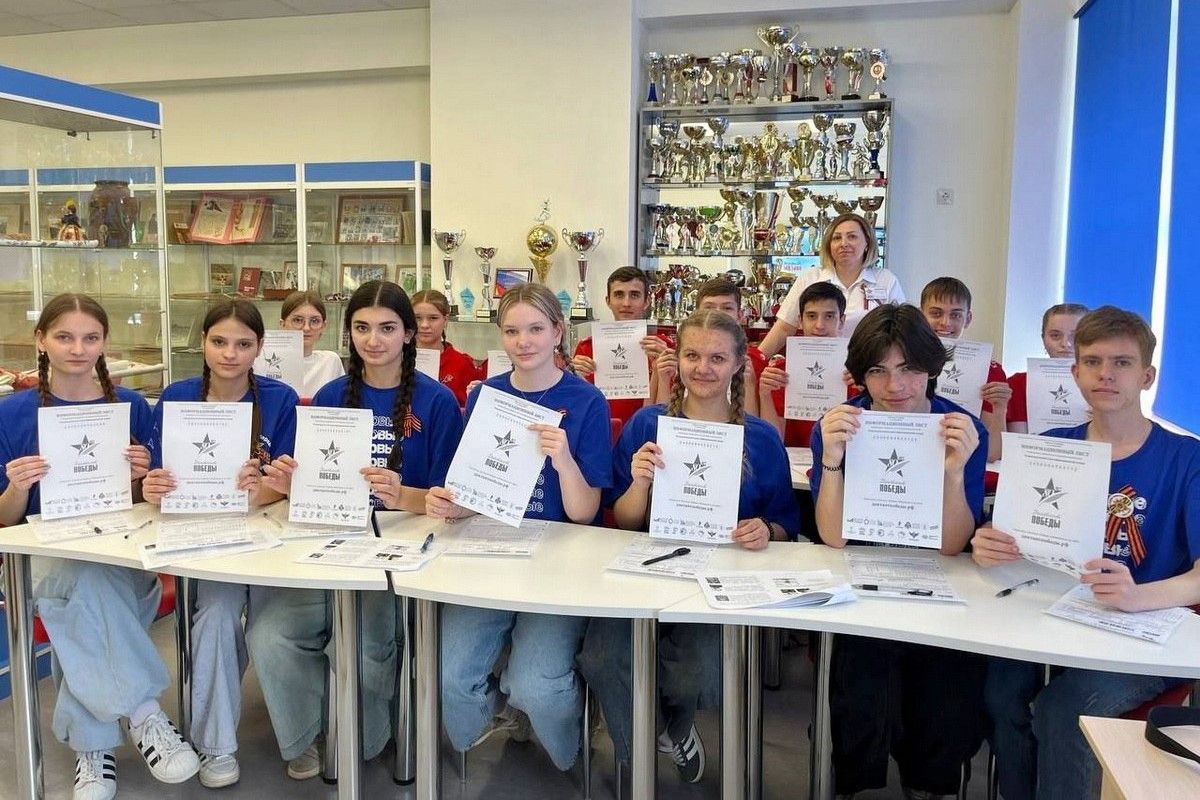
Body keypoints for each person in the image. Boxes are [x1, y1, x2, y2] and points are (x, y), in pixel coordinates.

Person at [973, 306, 1200, 800]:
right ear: (1074, 373)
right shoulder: (1050, 447)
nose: (1105, 375)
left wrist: (1137, 596)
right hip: (1054, 614)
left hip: (1146, 631)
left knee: (1063, 710)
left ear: (1147, 376)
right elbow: (1016, 543)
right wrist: (989, 544)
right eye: (1093, 362)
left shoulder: (1187, 459)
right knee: (1001, 693)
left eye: (1122, 363)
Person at [253, 280, 464, 778]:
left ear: (408, 334)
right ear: (348, 333)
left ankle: (365, 732)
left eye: (387, 328)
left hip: (403, 556)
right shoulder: (331, 395)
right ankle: (309, 733)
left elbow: (451, 503)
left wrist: (401, 495)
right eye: (362, 328)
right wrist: (288, 483)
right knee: (269, 634)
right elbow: (311, 483)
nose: (374, 340)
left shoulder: (436, 402)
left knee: (368, 647)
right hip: (332, 544)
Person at [578, 309, 799, 784]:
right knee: (601, 656)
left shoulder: (761, 439)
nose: (703, 368)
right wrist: (640, 483)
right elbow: (624, 520)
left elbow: (786, 521)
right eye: (692, 356)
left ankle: (672, 727)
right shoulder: (646, 424)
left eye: (717, 358)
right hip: (646, 565)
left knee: (697, 671)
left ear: (738, 364)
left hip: (720, 576)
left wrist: (765, 529)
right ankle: (643, 750)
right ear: (676, 359)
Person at [0, 294, 199, 800]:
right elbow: (4, 520)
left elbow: (147, 503)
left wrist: (141, 479)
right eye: (64, 337)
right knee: (84, 585)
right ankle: (144, 712)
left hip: (122, 550)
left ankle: (92, 750)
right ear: (41, 340)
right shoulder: (10, 413)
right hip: (44, 553)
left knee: (86, 597)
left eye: (90, 338)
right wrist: (18, 487)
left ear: (104, 343)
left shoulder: (131, 406)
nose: (77, 349)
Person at [426, 283, 613, 772]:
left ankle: (569, 746)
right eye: (511, 331)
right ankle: (497, 715)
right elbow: (473, 491)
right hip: (490, 551)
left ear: (558, 331)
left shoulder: (587, 401)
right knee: (449, 675)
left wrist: (564, 460)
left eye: (535, 329)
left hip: (559, 557)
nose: (523, 341)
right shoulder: (487, 395)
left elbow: (585, 513)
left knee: (535, 683)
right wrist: (453, 504)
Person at [811, 303, 989, 799]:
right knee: (861, 677)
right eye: (878, 371)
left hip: (939, 576)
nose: (895, 386)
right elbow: (834, 536)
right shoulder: (842, 423)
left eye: (909, 369)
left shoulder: (962, 428)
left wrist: (954, 472)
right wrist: (832, 458)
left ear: (931, 368)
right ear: (860, 374)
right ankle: (858, 780)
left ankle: (929, 783)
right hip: (862, 570)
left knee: (947, 682)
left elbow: (952, 544)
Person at [142, 298, 297, 789]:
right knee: (214, 615)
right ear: (203, 342)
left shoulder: (280, 399)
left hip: (270, 539)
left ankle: (304, 736)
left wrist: (261, 491)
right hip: (203, 537)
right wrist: (152, 486)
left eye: (243, 344)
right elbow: (156, 474)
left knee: (275, 631)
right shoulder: (177, 396)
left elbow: (290, 484)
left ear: (260, 347)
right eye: (219, 342)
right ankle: (216, 745)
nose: (230, 354)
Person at [759, 212, 905, 356]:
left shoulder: (886, 280)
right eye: (837, 238)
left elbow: (901, 332)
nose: (844, 244)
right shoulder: (810, 278)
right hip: (819, 364)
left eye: (852, 237)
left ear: (867, 242)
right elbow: (784, 328)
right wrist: (756, 361)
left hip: (869, 364)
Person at [919, 277, 1010, 461]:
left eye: (955, 315)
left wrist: (1000, 409)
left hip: (964, 462)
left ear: (967, 319)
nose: (945, 323)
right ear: (921, 315)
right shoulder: (903, 365)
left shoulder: (989, 371)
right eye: (936, 313)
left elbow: (992, 453)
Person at [569, 266, 673, 423]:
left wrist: (666, 368)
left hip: (646, 431)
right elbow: (576, 403)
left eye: (634, 295)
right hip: (602, 430)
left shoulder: (663, 348)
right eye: (619, 295)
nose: (626, 303)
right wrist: (573, 375)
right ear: (608, 301)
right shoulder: (587, 347)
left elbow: (674, 407)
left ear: (646, 301)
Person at [652, 276, 765, 414]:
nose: (717, 313)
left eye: (727, 308)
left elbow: (752, 422)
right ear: (696, 313)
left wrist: (749, 384)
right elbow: (658, 416)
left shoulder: (755, 360)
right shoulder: (676, 358)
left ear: (740, 315)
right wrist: (663, 379)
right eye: (709, 307)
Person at [758, 280, 851, 447]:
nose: (820, 325)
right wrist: (765, 395)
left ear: (842, 321)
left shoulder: (856, 375)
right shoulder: (780, 373)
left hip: (842, 459)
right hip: (794, 460)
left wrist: (866, 394)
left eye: (829, 316)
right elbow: (774, 442)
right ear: (800, 321)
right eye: (811, 316)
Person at [1006, 302, 1089, 433]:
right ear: (1043, 338)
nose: (1065, 344)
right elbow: (1017, 440)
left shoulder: (1104, 385)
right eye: (1055, 335)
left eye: (1075, 336)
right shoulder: (1018, 384)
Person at [411, 288, 483, 405]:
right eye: (417, 318)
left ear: (445, 320)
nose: (424, 325)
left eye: (433, 318)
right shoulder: (397, 360)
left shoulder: (462, 364)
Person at [279, 290, 344, 398]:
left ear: (323, 326)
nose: (306, 328)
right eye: (297, 320)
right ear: (282, 324)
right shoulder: (265, 362)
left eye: (314, 321)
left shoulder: (331, 361)